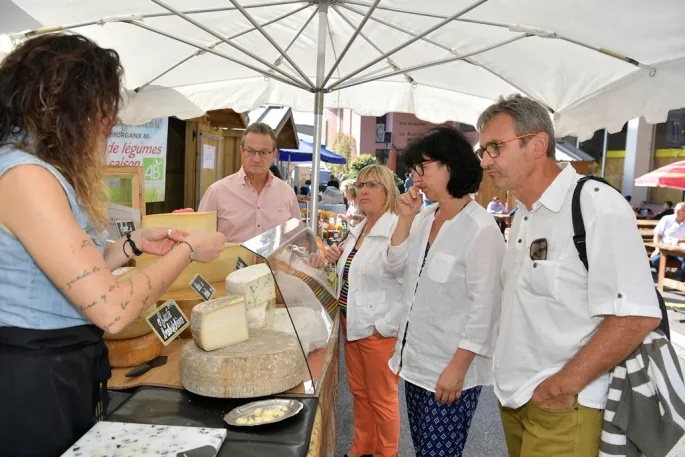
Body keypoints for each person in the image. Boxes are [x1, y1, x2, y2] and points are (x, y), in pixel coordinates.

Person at [0, 34, 225, 457]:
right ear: (69, 104)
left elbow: (66, 268)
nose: (109, 124)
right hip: (32, 378)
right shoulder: (25, 175)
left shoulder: (33, 167)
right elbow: (112, 308)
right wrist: (189, 251)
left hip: (56, 364)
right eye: (103, 109)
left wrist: (132, 244)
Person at [477, 94, 661, 457]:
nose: (485, 161)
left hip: (563, 404)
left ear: (537, 144)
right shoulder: (523, 216)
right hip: (516, 398)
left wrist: (563, 385)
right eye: (483, 151)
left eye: (495, 147)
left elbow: (637, 315)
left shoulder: (594, 204)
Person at [387, 127, 505, 457]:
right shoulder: (424, 217)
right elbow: (396, 267)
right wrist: (404, 220)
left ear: (449, 166)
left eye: (422, 168)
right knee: (425, 450)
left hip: (449, 370)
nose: (415, 178)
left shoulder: (481, 229)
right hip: (414, 363)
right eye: (413, 171)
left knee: (439, 454)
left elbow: (486, 309)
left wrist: (457, 369)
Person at [311, 165, 404, 457]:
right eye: (361, 184)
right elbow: (352, 274)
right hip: (352, 326)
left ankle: (387, 453)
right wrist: (335, 258)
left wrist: (385, 326)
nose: (364, 190)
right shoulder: (359, 228)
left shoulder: (397, 229)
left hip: (378, 333)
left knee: (383, 400)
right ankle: (362, 446)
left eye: (373, 185)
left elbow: (409, 286)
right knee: (361, 395)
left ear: (388, 192)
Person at [196, 122, 301, 243]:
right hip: (229, 262)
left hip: (273, 263)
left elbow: (296, 238)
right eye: (250, 151)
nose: (256, 159)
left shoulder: (287, 193)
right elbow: (199, 240)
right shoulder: (217, 192)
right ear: (242, 151)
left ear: (273, 154)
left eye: (264, 152)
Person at [650, 202, 685, 279]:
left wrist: (678, 241)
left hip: (680, 251)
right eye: (676, 209)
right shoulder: (666, 219)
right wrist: (657, 247)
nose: (676, 211)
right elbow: (657, 235)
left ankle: (683, 282)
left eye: (680, 210)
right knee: (655, 260)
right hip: (664, 250)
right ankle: (664, 276)